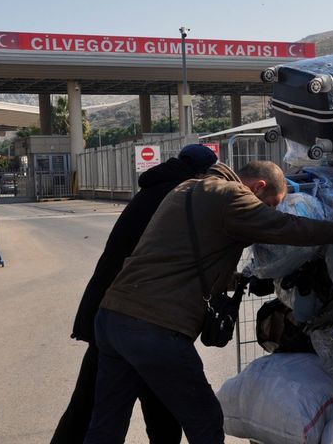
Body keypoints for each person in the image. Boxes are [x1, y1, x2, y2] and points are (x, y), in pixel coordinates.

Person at [84, 160, 333, 444]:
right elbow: (284, 227)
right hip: (155, 326)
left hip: (113, 317)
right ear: (258, 187)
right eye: (271, 203)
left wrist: (235, 279)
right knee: (206, 420)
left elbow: (180, 254)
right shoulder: (231, 196)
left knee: (106, 424)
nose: (269, 210)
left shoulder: (187, 189)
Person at [51, 144, 218, 444]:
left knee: (99, 409)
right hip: (134, 315)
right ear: (202, 173)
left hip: (113, 313)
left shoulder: (154, 190)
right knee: (119, 409)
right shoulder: (179, 197)